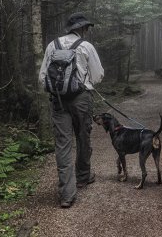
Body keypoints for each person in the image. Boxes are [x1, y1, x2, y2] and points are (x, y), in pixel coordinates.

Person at [39, 12, 104, 208]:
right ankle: (83, 177)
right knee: (83, 136)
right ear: (82, 28)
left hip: (58, 100)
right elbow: (98, 75)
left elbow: (42, 78)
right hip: (81, 99)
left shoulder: (53, 45)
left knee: (63, 144)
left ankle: (67, 194)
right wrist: (85, 83)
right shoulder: (85, 46)